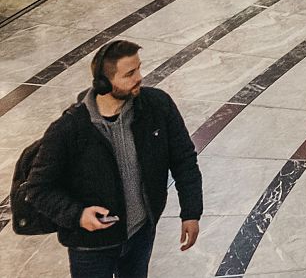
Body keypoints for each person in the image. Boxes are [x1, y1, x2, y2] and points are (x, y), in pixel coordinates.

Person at [23, 40, 203, 278]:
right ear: (103, 83)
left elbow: (184, 161)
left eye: (139, 68)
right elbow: (38, 189)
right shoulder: (68, 129)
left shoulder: (157, 106)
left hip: (141, 233)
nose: (139, 77)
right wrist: (77, 215)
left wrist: (191, 212)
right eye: (129, 74)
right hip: (91, 247)